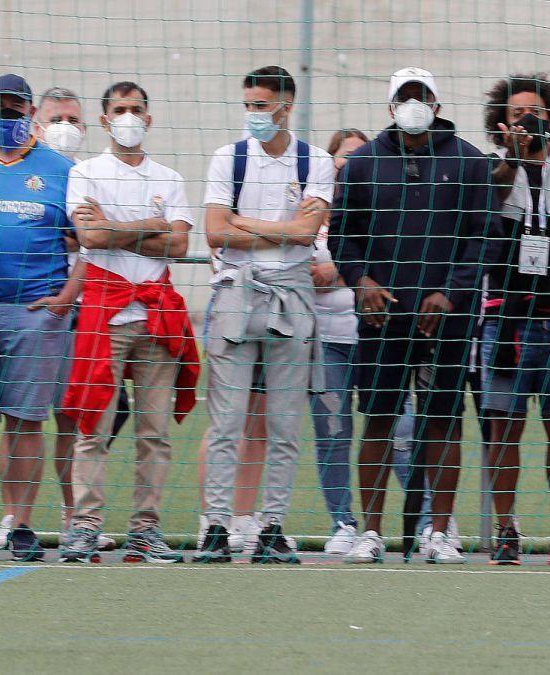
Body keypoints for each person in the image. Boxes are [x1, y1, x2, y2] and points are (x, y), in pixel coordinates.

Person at [329, 67, 501, 564]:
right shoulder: (361, 164)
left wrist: (451, 292)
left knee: (444, 421)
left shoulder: (469, 162)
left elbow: (484, 238)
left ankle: (440, 532)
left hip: (448, 318)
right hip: (383, 317)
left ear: (437, 104)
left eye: (421, 96)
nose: (413, 104)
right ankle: (372, 532)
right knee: (379, 420)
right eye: (404, 97)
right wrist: (362, 282)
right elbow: (342, 235)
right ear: (390, 107)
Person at [193, 65, 336, 564]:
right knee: (227, 421)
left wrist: (244, 223)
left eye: (262, 106)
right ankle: (215, 525)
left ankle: (272, 526)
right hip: (236, 291)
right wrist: (280, 227)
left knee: (284, 423)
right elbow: (214, 233)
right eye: (248, 105)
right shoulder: (226, 159)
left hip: (292, 292)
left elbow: (305, 234)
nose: (253, 115)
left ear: (285, 106)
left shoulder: (315, 161)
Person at [58, 81, 198, 563]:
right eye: (120, 109)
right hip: (105, 311)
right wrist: (150, 224)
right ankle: (85, 525)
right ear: (104, 119)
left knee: (154, 431)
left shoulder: (170, 177)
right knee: (92, 424)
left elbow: (179, 246)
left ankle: (146, 530)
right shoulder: (85, 173)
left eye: (137, 109)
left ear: (150, 117)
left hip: (156, 313)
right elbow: (89, 236)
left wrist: (115, 231)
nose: (129, 117)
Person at [479, 74, 550, 565]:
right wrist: (513, 161)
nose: (529, 121)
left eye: (537, 113)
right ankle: (506, 530)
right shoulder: (492, 171)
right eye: (518, 114)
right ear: (501, 123)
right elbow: (481, 223)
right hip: (508, 317)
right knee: (504, 427)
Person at [0, 73, 80, 562]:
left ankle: (20, 524)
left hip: (35, 311)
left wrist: (67, 295)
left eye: (16, 109)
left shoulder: (61, 168)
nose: (7, 117)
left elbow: (90, 243)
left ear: (30, 113)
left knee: (24, 422)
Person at [311, 128, 369, 555]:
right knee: (332, 431)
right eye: (342, 156)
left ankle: (428, 521)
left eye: (359, 156)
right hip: (327, 340)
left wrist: (337, 270)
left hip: (376, 336)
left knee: (402, 430)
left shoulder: (379, 208)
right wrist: (343, 269)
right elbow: (305, 273)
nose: (349, 163)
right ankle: (343, 522)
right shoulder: (311, 213)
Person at [35, 86, 86, 158]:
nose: (65, 128)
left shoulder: (88, 169)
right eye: (56, 120)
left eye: (72, 121)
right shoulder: (22, 168)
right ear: (38, 130)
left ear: (83, 130)